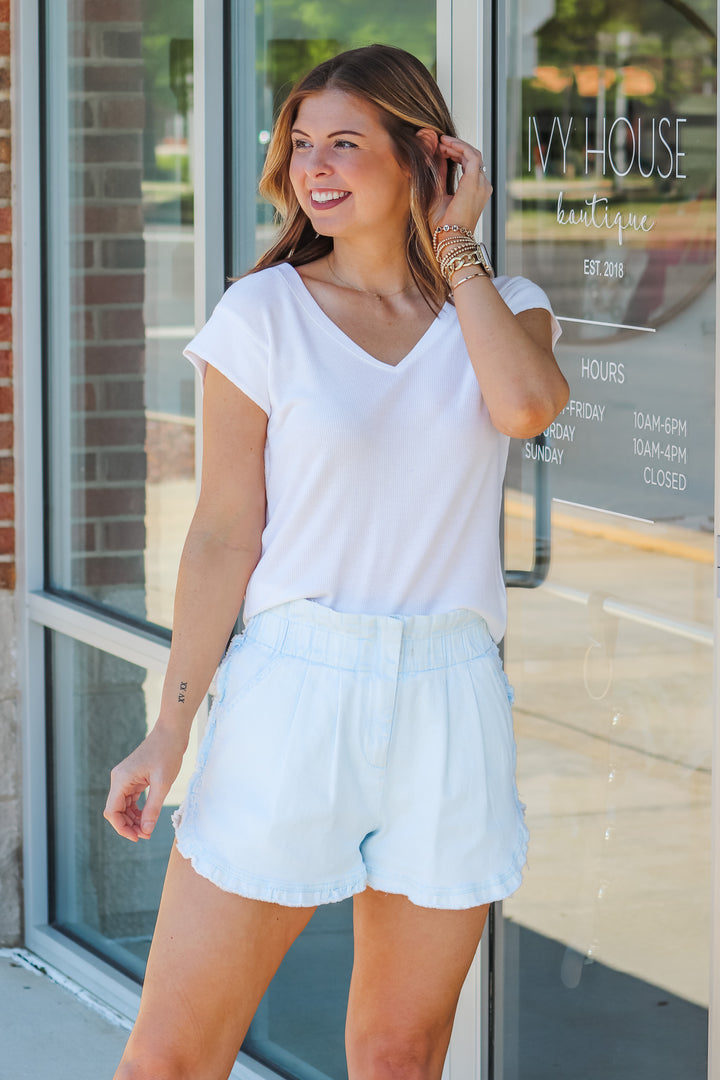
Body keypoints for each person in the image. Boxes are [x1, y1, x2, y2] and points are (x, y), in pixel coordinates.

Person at [104, 43, 568, 1080]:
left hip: (449, 695)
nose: (315, 167)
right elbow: (225, 533)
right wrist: (169, 729)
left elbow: (527, 408)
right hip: (294, 689)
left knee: (400, 1054)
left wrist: (457, 250)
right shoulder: (262, 315)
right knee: (173, 1056)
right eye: (302, 144)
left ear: (424, 156)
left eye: (346, 144)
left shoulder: (503, 306)